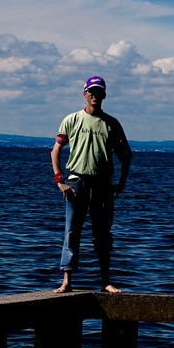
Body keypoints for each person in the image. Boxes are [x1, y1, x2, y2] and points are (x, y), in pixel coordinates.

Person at [50, 75, 133, 294]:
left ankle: (106, 280)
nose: (95, 95)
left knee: (103, 234)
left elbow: (126, 156)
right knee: (72, 232)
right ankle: (67, 280)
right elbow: (55, 150)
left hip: (103, 185)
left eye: (99, 92)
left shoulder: (112, 124)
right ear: (85, 93)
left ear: (104, 95)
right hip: (77, 182)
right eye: (92, 91)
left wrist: (121, 184)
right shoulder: (72, 119)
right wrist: (60, 182)